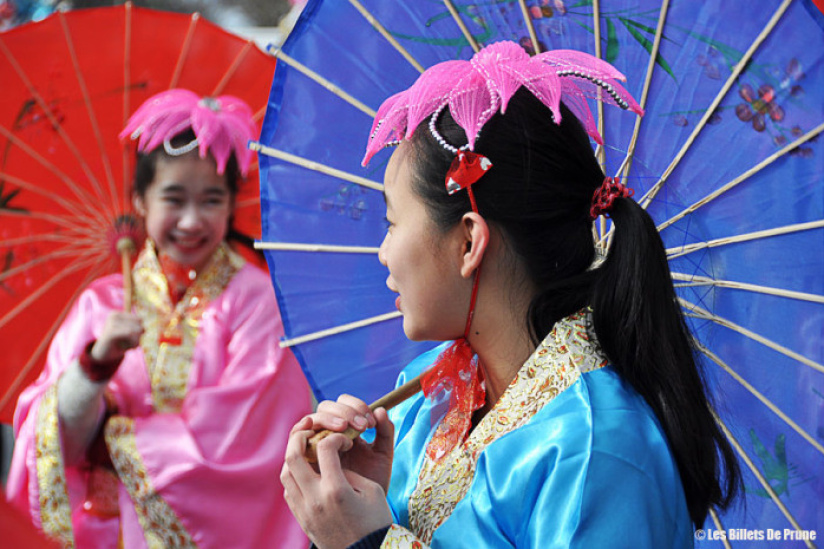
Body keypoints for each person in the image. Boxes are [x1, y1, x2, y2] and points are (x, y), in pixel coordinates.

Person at [280, 42, 741, 548]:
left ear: (469, 242)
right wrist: (366, 497)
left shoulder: (595, 446)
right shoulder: (430, 393)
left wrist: (366, 542)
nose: (383, 253)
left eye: (392, 223)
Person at [6, 89, 312, 548]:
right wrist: (94, 368)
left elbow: (248, 440)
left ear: (232, 205)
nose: (191, 221)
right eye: (174, 198)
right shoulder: (101, 304)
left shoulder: (259, 303)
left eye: (211, 200)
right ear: (141, 201)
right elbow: (51, 442)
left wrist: (117, 438)